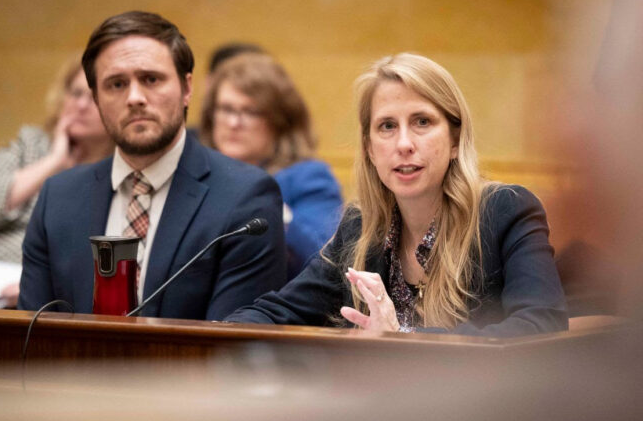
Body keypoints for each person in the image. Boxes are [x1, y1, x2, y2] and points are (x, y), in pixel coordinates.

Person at [228, 53, 568, 337]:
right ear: (369, 149)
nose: (404, 144)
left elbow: (542, 325)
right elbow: (280, 310)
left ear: (454, 140)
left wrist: (404, 339)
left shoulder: (505, 211)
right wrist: (217, 332)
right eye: (387, 126)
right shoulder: (360, 229)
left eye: (422, 122)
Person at [18, 11, 287, 319]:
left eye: (151, 79)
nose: (135, 97)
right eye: (116, 84)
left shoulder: (245, 197)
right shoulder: (58, 197)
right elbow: (31, 336)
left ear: (187, 89)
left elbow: (235, 347)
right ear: (95, 99)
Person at [0, 56, 114, 305]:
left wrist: (40, 286)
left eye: (92, 97)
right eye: (75, 93)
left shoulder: (122, 169)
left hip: (51, 297)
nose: (80, 105)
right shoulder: (32, 146)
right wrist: (53, 162)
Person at [200, 53, 343, 278]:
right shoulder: (196, 175)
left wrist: (267, 204)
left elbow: (326, 261)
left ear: (280, 121)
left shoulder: (309, 177)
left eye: (250, 111)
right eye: (226, 109)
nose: (233, 123)